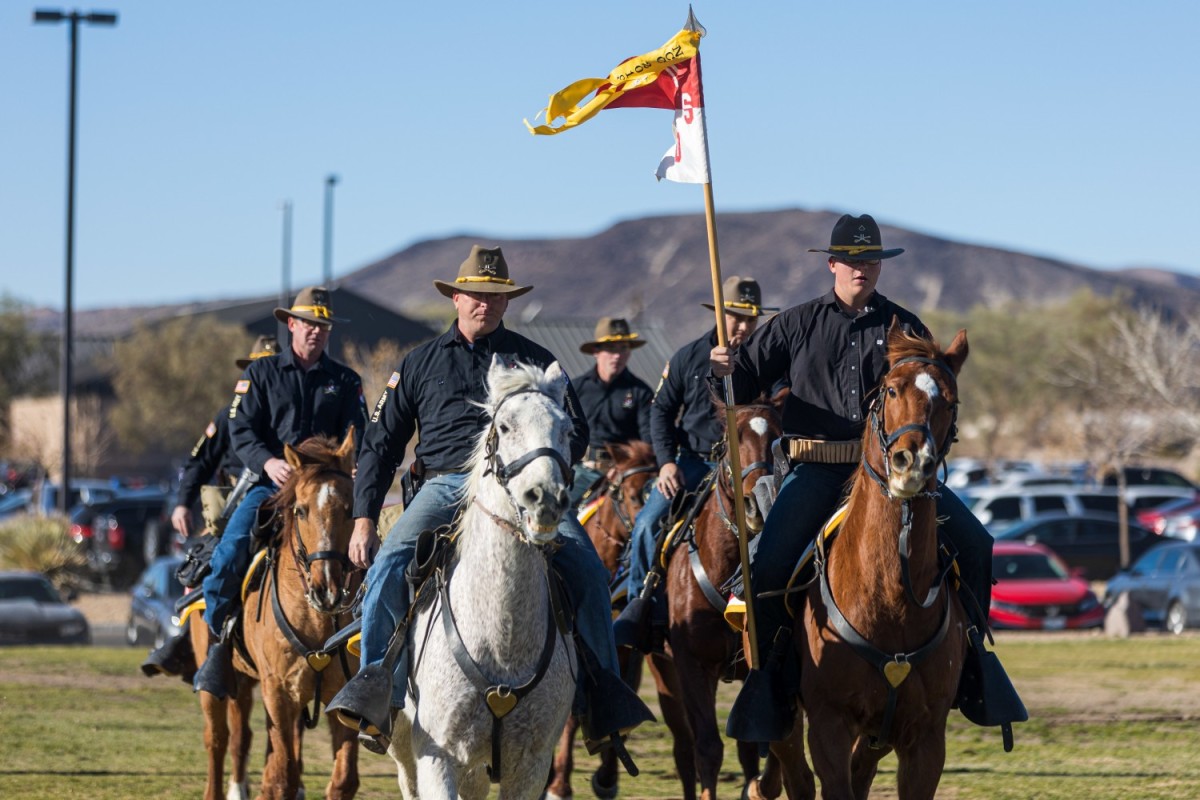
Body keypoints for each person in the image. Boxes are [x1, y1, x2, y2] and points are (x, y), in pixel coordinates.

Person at [327, 245, 653, 755]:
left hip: (521, 490)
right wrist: (365, 517)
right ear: (456, 298)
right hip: (446, 485)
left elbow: (577, 430)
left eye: (497, 297)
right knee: (389, 563)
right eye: (476, 295)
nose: (486, 304)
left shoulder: (539, 360)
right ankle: (378, 696)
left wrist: (544, 465)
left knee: (588, 569)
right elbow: (381, 445)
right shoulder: (419, 363)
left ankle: (601, 699)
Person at [711, 214, 998, 742]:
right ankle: (770, 680)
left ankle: (975, 664)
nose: (861, 270)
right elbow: (744, 380)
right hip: (817, 471)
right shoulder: (795, 323)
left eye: (870, 261)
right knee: (769, 566)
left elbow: (929, 387)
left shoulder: (905, 327)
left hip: (895, 474)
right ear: (833, 264)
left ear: (879, 267)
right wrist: (724, 366)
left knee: (978, 544)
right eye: (852, 261)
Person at [192, 287, 366, 699]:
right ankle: (219, 647)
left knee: (373, 553)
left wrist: (356, 463)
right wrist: (267, 462)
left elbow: (361, 431)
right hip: (271, 487)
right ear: (291, 324)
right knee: (229, 555)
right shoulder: (259, 374)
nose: (315, 333)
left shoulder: (345, 381)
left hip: (328, 491)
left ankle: (374, 656)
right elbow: (241, 430)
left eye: (322, 327)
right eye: (308, 324)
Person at [612, 276, 775, 650]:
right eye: (736, 316)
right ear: (719, 313)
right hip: (694, 463)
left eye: (751, 319)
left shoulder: (768, 359)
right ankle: (641, 606)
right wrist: (667, 463)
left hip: (751, 469)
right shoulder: (687, 356)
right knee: (648, 522)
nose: (744, 326)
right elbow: (661, 412)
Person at [140, 334, 280, 679]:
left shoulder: (289, 412)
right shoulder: (229, 415)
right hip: (235, 505)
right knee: (204, 567)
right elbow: (198, 462)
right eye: (255, 368)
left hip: (286, 498)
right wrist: (182, 504)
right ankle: (187, 642)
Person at [569, 317, 654, 507]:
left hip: (625, 473)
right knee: (559, 511)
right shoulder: (576, 388)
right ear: (596, 351)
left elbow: (649, 440)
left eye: (624, 348)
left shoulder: (640, 392)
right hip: (582, 469)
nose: (618, 355)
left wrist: (626, 467)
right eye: (611, 348)